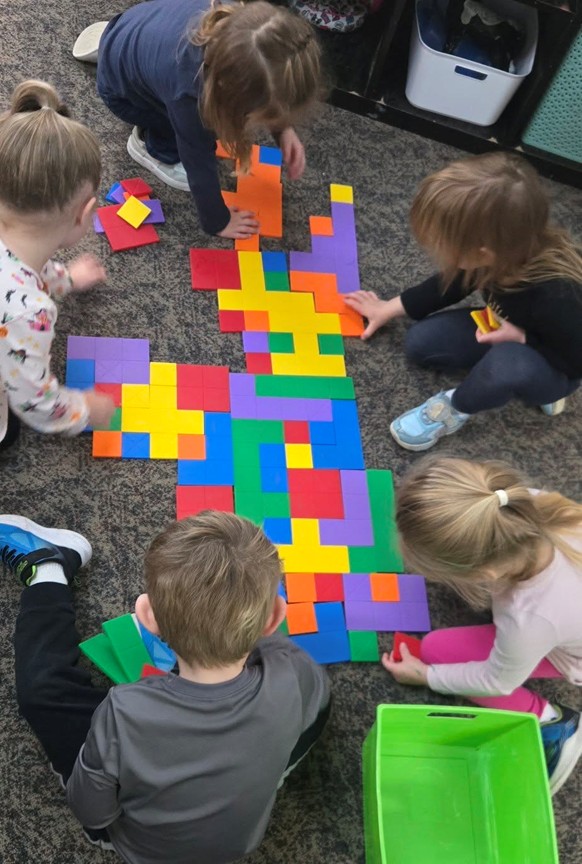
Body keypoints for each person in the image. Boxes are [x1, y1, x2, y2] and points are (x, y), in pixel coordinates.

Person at [8, 510, 330, 862]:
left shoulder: (123, 710)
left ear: (147, 616)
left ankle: (48, 571)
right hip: (237, 845)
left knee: (42, 690)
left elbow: (93, 812)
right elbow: (318, 703)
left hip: (142, 849)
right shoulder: (294, 672)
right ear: (275, 618)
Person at [344, 153, 582, 451]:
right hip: (501, 326)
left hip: (557, 364)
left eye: (443, 245)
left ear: (483, 253)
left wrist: (521, 338)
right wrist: (387, 308)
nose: (436, 250)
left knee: (507, 365)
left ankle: (455, 408)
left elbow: (576, 361)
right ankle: (497, 368)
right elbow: (449, 284)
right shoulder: (504, 250)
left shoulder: (559, 295)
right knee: (420, 343)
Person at [382, 456, 582, 795]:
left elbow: (497, 681)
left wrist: (427, 676)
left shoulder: (528, 619)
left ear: (486, 574)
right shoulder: (522, 504)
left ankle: (552, 723)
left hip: (569, 651)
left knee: (435, 651)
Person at [74, 0, 323, 240]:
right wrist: (218, 221)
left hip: (136, 26)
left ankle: (113, 47)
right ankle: (153, 148)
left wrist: (284, 130)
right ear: (231, 92)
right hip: (123, 95)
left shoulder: (240, 26)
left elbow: (268, 81)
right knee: (193, 135)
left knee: (163, 77)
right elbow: (197, 158)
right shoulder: (190, 98)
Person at [0, 80, 115, 452]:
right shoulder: (29, 313)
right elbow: (36, 403)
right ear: (85, 214)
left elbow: (20, 268)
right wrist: (84, 409)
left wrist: (65, 279)